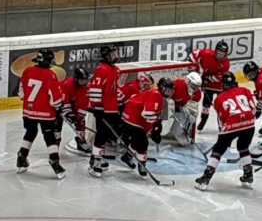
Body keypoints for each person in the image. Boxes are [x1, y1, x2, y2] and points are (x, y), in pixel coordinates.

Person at [195, 72, 256, 190]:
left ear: (222, 84)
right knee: (243, 148)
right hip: (249, 123)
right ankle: (248, 175)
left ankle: (206, 178)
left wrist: (223, 135)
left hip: (231, 124)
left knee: (218, 150)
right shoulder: (244, 90)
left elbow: (221, 121)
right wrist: (247, 121)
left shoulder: (219, 98)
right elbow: (254, 108)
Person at [17, 49, 66, 179]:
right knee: (49, 137)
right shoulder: (50, 75)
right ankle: (55, 162)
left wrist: (28, 102)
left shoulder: (27, 71)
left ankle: (21, 157)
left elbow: (21, 90)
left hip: (29, 111)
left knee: (30, 133)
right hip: (46, 113)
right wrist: (58, 105)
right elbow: (54, 96)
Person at [119, 78, 175, 179]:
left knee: (137, 141)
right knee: (143, 142)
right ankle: (142, 165)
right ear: (162, 88)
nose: (170, 93)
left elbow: (155, 114)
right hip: (133, 115)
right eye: (168, 90)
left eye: (171, 90)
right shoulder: (156, 94)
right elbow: (148, 114)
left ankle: (127, 157)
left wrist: (157, 127)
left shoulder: (161, 97)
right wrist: (154, 130)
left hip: (138, 116)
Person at [87, 44, 120, 177]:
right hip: (104, 108)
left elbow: (114, 89)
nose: (115, 56)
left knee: (104, 136)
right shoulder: (102, 69)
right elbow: (95, 88)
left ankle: (96, 158)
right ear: (106, 56)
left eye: (115, 53)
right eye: (112, 54)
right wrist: (97, 106)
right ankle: (96, 162)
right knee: (100, 135)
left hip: (112, 108)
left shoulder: (115, 69)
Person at [190, 41, 230, 131]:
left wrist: (206, 78)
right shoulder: (206, 53)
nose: (220, 55)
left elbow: (219, 77)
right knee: (206, 105)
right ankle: (203, 121)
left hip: (220, 86)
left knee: (221, 105)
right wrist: (194, 66)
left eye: (222, 53)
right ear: (215, 50)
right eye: (219, 52)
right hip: (207, 85)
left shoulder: (226, 63)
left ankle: (221, 124)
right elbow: (193, 54)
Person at [56, 67, 92, 156]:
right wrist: (68, 114)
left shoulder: (87, 87)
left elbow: (83, 103)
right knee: (56, 126)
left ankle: (81, 142)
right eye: (82, 80)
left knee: (81, 121)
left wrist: (78, 117)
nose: (85, 82)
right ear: (76, 79)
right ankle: (54, 147)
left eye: (86, 80)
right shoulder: (67, 84)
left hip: (74, 103)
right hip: (58, 105)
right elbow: (64, 101)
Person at [169, 72, 202, 145]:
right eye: (194, 85)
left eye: (197, 86)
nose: (196, 88)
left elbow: (192, 106)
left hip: (179, 109)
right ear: (188, 81)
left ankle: (181, 132)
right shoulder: (178, 84)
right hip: (167, 107)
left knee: (192, 115)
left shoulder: (197, 94)